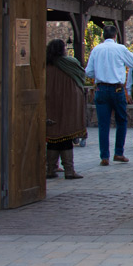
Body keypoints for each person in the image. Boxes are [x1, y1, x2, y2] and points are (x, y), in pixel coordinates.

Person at [83, 24, 133, 166]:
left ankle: (104, 156)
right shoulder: (120, 48)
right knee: (121, 121)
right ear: (115, 36)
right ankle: (118, 152)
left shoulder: (96, 50)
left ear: (103, 36)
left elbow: (88, 72)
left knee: (103, 124)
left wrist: (101, 73)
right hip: (117, 89)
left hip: (101, 89)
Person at [45, 39, 88, 180]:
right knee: (66, 135)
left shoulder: (46, 65)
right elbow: (82, 75)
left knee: (53, 137)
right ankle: (69, 170)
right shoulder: (70, 63)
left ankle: (50, 169)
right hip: (69, 104)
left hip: (51, 104)